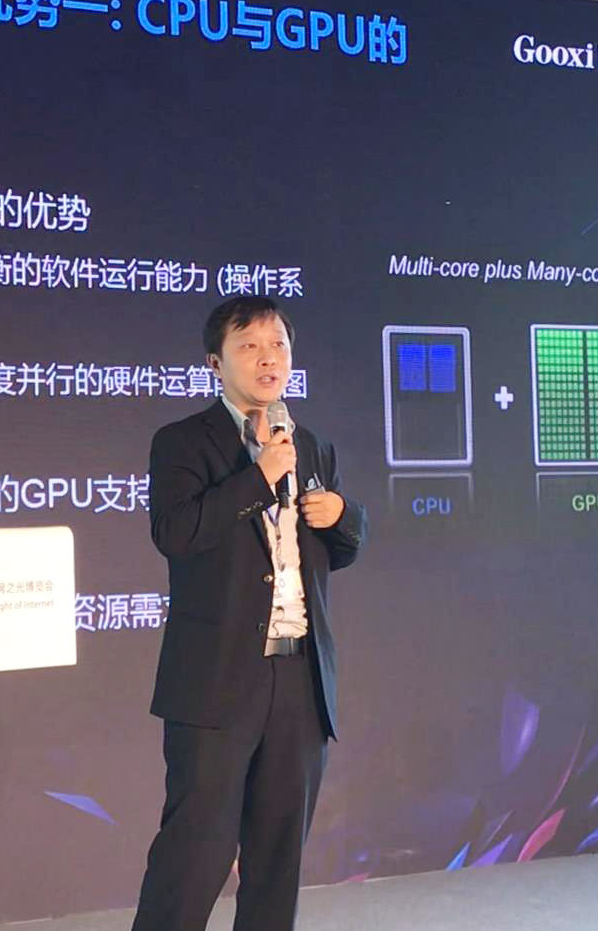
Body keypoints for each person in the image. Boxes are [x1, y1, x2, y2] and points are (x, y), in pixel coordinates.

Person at [130, 296, 367, 931]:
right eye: (250, 346)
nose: (269, 359)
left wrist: (343, 516)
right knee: (195, 855)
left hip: (299, 677)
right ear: (216, 362)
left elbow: (339, 549)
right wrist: (259, 477)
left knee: (277, 859)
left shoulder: (310, 445)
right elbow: (178, 533)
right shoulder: (183, 442)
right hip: (217, 680)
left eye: (279, 346)